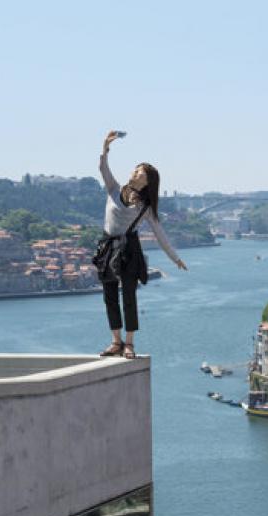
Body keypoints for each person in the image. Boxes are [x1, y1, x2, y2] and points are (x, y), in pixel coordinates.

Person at [97, 130, 187, 358]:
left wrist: (175, 258)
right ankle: (115, 341)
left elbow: (160, 234)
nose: (135, 172)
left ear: (146, 182)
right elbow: (103, 169)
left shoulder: (145, 207)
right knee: (109, 295)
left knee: (129, 295)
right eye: (136, 169)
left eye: (140, 172)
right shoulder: (114, 188)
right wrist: (105, 148)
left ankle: (129, 343)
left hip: (129, 249)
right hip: (108, 245)